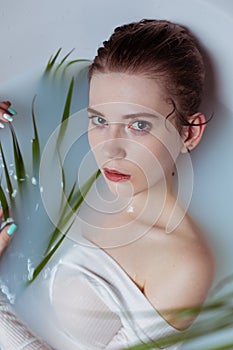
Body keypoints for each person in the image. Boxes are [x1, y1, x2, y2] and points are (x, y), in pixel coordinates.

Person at [0, 19, 215, 350]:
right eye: (99, 119)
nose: (108, 148)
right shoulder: (83, 175)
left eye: (138, 125)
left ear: (188, 133)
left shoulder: (183, 265)